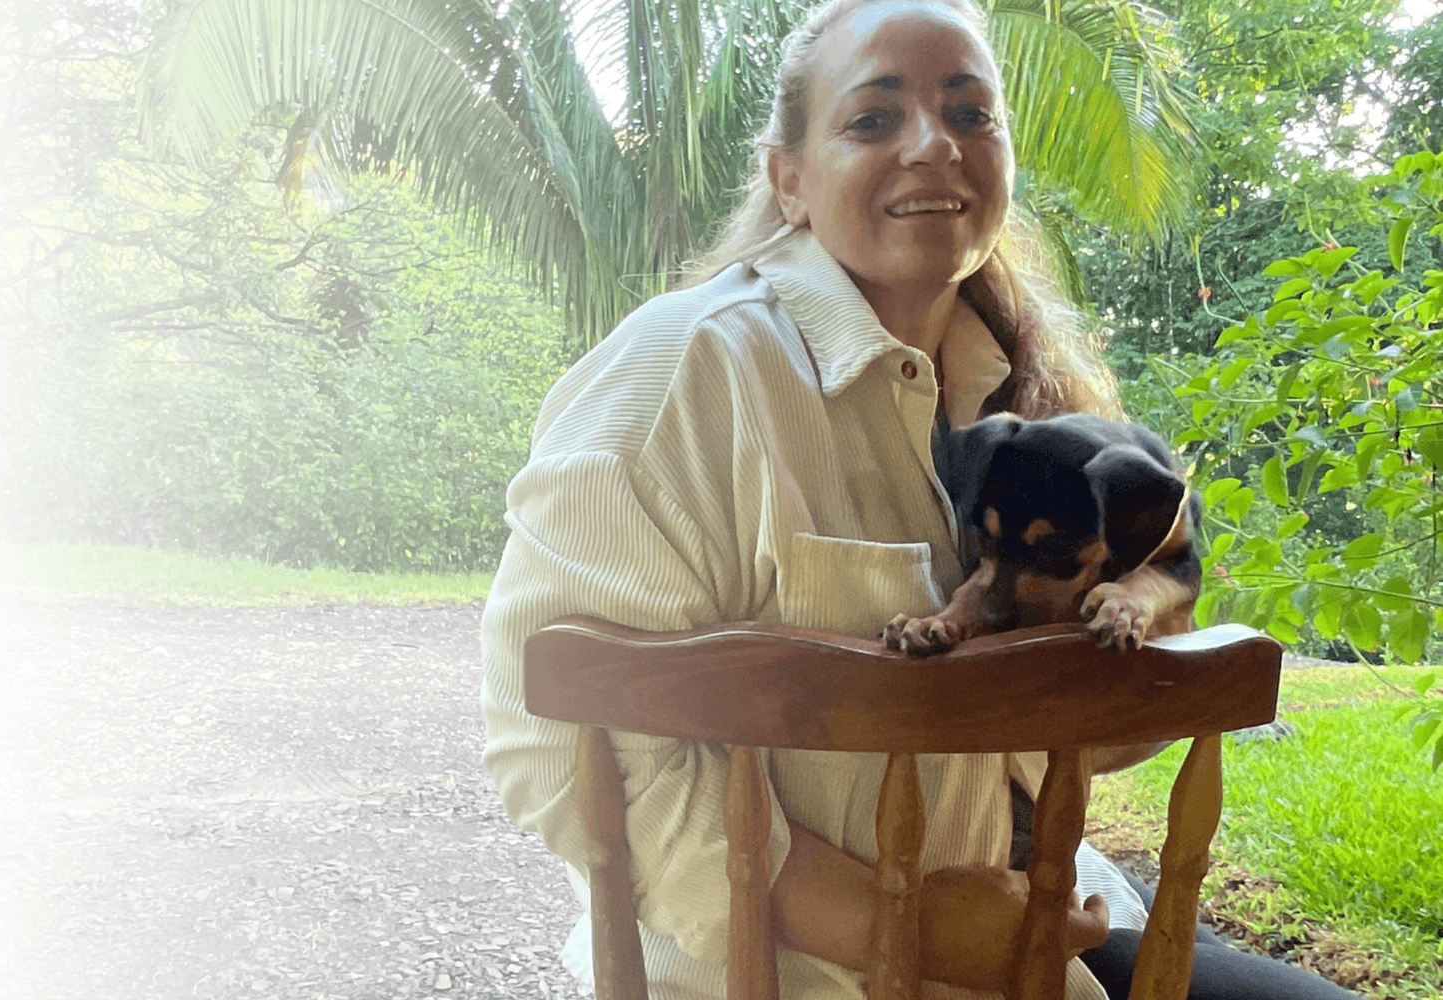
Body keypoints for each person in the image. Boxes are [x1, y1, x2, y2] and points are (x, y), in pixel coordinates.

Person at [481, 1, 1355, 997]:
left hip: (1039, 923)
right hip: (794, 973)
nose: (936, 143)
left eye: (971, 114)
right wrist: (904, 925)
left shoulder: (1029, 406)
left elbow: (1089, 737)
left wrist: (1130, 636)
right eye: (873, 118)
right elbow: (552, 741)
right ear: (788, 178)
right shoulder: (681, 372)